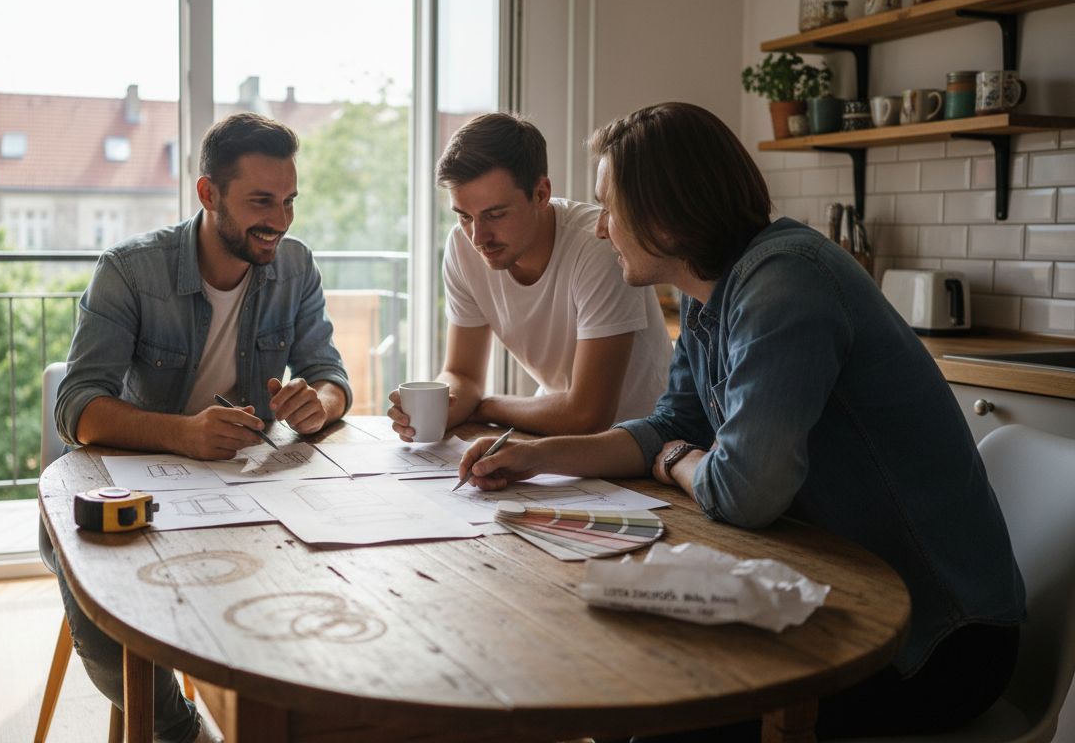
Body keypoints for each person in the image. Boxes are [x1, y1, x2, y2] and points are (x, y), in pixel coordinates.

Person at [457, 102, 1025, 741]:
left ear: (667, 215)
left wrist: (672, 459)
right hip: (842, 598)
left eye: (611, 209)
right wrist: (537, 456)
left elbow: (742, 493)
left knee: (657, 711)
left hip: (938, 642)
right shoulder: (708, 295)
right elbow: (670, 422)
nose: (600, 229)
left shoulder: (785, 286)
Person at [52, 112, 352, 743]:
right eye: (261, 201)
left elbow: (330, 375)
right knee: (104, 616)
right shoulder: (130, 271)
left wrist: (317, 404)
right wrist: (183, 433)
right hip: (140, 486)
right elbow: (77, 406)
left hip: (248, 491)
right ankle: (183, 732)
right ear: (208, 194)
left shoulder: (295, 268)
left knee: (331, 586)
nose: (281, 219)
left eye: (290, 200)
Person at [388, 113, 672, 440]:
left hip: (643, 441)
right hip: (554, 433)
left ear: (541, 193)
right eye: (465, 216)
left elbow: (588, 414)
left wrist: (484, 406)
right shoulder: (462, 247)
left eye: (495, 214)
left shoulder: (599, 244)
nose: (478, 236)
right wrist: (442, 404)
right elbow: (462, 373)